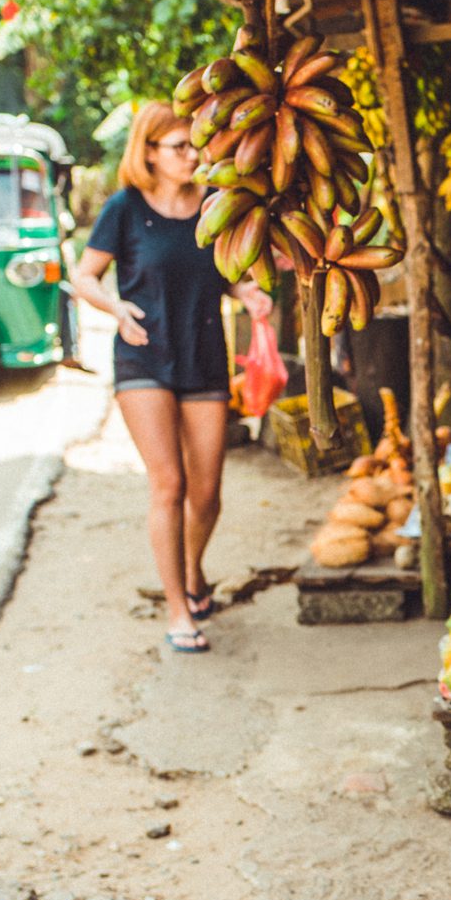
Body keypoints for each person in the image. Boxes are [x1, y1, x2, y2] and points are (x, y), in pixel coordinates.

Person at [71, 102, 271, 654]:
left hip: (205, 354)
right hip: (144, 358)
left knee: (207, 493)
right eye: (179, 147)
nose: (192, 155)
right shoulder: (125, 209)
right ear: (150, 153)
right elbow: (83, 276)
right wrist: (115, 308)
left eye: (194, 146)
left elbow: (220, 274)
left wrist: (245, 291)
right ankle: (178, 608)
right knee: (170, 485)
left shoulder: (214, 206)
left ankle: (191, 570)